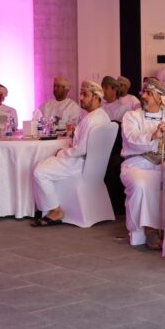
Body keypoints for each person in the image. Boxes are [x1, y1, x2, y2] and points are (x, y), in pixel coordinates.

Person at [31, 81, 110, 227]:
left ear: (96, 97)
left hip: (77, 163)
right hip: (93, 165)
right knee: (45, 164)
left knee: (39, 171)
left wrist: (62, 152)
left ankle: (55, 210)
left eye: (85, 95)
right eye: (81, 94)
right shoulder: (103, 116)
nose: (81, 98)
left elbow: (81, 150)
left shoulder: (91, 119)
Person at [120, 79, 165, 249]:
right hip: (138, 161)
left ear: (160, 98)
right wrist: (153, 136)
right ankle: (147, 229)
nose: (144, 96)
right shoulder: (131, 116)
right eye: (144, 92)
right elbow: (131, 138)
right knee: (141, 182)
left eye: (149, 93)